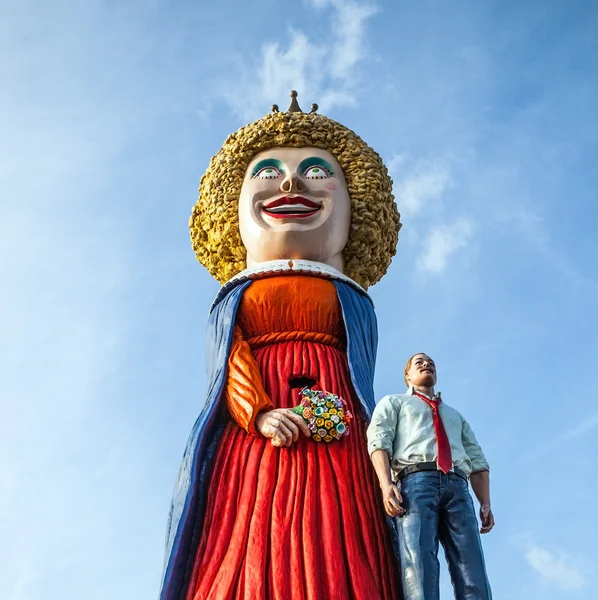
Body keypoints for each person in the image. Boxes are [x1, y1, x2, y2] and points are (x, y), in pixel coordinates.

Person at [159, 92, 403, 600]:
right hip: (252, 441)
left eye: (316, 172)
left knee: (343, 547)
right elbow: (231, 360)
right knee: (247, 544)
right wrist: (258, 413)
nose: (290, 182)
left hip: (343, 442)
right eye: (267, 171)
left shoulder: (351, 300)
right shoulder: (237, 299)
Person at [367, 353, 494, 600]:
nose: (427, 365)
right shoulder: (394, 403)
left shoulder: (455, 416)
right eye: (419, 363)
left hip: (458, 485)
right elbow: (379, 440)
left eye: (432, 364)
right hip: (416, 482)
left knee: (470, 561)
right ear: (407, 375)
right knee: (418, 559)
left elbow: (477, 460)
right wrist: (386, 483)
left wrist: (485, 501)